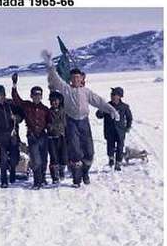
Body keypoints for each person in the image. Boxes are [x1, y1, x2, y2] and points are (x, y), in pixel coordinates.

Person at [42, 50, 120, 187]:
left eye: (78, 77)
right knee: (75, 152)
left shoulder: (86, 92)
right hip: (71, 123)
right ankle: (77, 179)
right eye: (73, 78)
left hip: (84, 122)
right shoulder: (66, 89)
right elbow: (55, 78)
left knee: (89, 152)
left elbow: (99, 102)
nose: (76, 80)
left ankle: (85, 172)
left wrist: (111, 110)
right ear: (70, 79)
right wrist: (50, 65)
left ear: (81, 79)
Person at [11, 73, 51, 189]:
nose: (37, 97)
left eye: (39, 95)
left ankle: (42, 178)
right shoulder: (27, 106)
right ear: (31, 96)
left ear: (42, 96)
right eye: (34, 95)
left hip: (43, 136)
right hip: (32, 136)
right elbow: (16, 99)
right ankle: (37, 181)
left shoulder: (45, 109)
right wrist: (14, 85)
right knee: (36, 160)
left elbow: (49, 122)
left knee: (43, 159)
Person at [96, 87, 133, 171]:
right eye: (111, 95)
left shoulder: (124, 107)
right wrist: (101, 110)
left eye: (114, 95)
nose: (112, 96)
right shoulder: (107, 106)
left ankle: (118, 163)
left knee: (120, 146)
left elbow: (129, 118)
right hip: (109, 131)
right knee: (110, 146)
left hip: (120, 131)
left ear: (120, 96)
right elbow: (99, 116)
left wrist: (128, 127)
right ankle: (111, 158)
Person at [47, 91, 68, 183]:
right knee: (54, 156)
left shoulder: (64, 111)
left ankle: (61, 170)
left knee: (63, 156)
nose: (54, 103)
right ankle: (54, 175)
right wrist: (50, 127)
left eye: (56, 101)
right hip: (52, 137)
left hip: (62, 136)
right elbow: (46, 123)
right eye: (52, 101)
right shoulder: (48, 112)